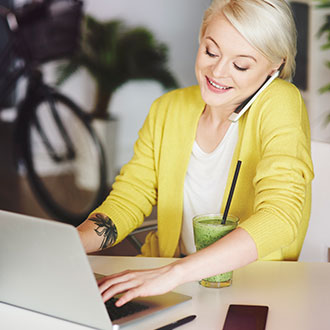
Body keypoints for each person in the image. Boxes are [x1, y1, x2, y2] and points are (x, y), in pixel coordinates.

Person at [78, 0, 314, 306]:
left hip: (252, 289)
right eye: (211, 51)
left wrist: (175, 273)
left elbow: (280, 217)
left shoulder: (280, 103)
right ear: (200, 38)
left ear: (275, 66)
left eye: (240, 65)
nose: (217, 71)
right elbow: (129, 198)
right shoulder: (167, 109)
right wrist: (69, 243)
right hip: (168, 283)